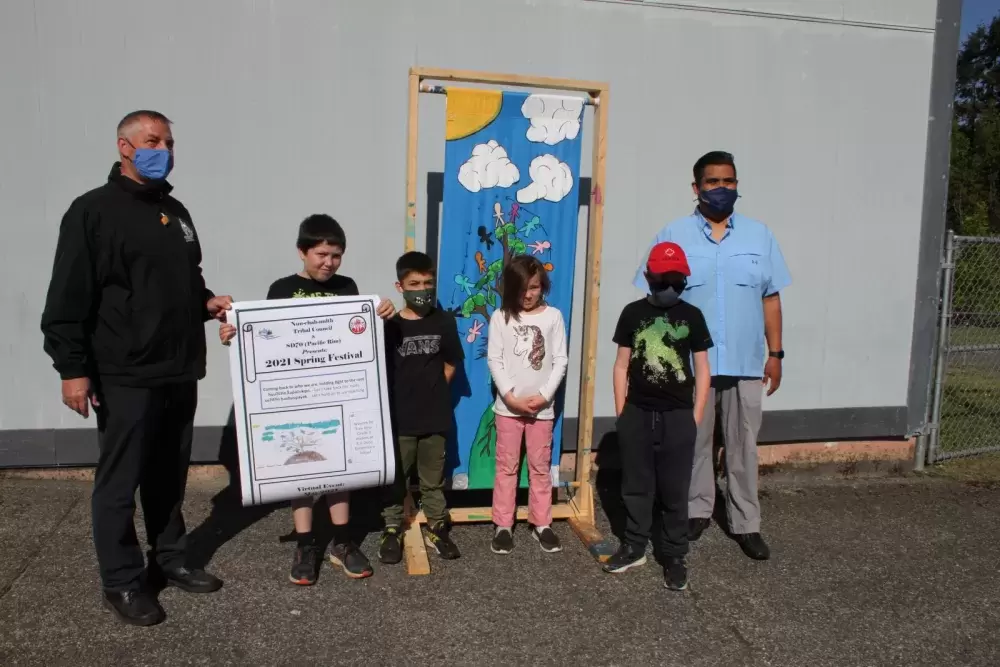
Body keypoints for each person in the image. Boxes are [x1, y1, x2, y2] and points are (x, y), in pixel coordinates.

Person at [40, 110, 233, 627]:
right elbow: (67, 295)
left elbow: (184, 281)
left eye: (169, 141)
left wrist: (208, 303)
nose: (163, 149)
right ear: (124, 147)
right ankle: (122, 582)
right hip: (124, 371)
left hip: (178, 368)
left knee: (169, 474)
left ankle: (168, 560)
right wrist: (71, 368)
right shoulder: (92, 212)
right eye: (152, 140)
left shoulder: (175, 210)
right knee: (120, 480)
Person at [219, 214, 395, 585]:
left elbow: (359, 334)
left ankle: (342, 542)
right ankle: (304, 543)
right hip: (296, 396)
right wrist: (235, 334)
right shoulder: (281, 288)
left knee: (340, 469)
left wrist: (383, 314)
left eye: (336, 255)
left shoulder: (348, 287)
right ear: (302, 252)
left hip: (337, 394)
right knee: (298, 471)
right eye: (321, 254)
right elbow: (263, 336)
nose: (329, 262)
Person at [633, 151, 791, 561]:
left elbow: (771, 299)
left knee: (743, 444)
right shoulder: (673, 234)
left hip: (744, 361)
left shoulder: (759, 236)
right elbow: (652, 298)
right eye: (713, 182)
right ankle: (697, 510)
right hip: (691, 365)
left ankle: (746, 523)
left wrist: (776, 353)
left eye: (729, 182)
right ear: (696, 188)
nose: (721, 189)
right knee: (694, 443)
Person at [605, 242, 712, 591]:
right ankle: (634, 545)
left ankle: (674, 554)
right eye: (662, 279)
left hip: (678, 417)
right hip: (638, 413)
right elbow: (621, 366)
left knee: (675, 490)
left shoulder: (692, 317)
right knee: (635, 485)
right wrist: (623, 412)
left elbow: (703, 369)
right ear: (648, 277)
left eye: (676, 280)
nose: (669, 286)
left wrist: (694, 415)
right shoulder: (632, 313)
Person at [378, 251, 464, 564]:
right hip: (399, 419)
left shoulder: (444, 321)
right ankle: (391, 527)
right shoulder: (389, 325)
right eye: (414, 283)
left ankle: (438, 527)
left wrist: (433, 389)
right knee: (396, 477)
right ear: (399, 287)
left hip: (435, 417)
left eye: (428, 282)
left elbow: (451, 362)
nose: (422, 289)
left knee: (433, 478)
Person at [486, 255, 569, 555]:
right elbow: (494, 359)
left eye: (534, 287)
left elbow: (560, 359)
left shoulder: (553, 317)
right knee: (506, 467)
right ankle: (503, 525)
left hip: (541, 410)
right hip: (508, 409)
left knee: (540, 467)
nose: (528, 294)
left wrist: (545, 395)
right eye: (522, 288)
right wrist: (509, 396)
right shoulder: (501, 317)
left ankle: (541, 523)